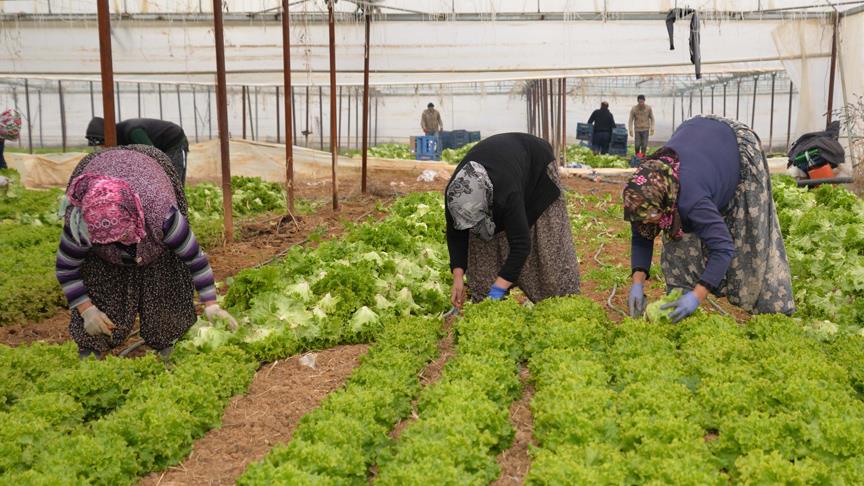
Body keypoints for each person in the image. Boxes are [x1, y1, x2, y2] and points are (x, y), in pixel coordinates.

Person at [56, 144, 237, 360]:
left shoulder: (163, 217)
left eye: (122, 236)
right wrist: (86, 310)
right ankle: (91, 348)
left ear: (135, 218)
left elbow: (195, 260)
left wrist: (211, 305)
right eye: (107, 241)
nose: (118, 245)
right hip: (99, 172)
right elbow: (66, 268)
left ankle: (169, 340)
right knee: (99, 278)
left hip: (149, 168)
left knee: (166, 277)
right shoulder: (81, 224)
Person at [624, 115, 795, 322]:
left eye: (649, 218)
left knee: (749, 240)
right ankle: (678, 300)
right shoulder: (645, 193)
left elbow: (723, 248)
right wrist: (637, 283)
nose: (645, 224)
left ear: (664, 202)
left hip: (734, 147)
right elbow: (641, 238)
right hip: (697, 138)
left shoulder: (692, 199)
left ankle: (774, 311)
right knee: (678, 242)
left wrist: (696, 297)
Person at [445, 132, 580, 309]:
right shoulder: (455, 196)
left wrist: (497, 290)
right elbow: (456, 235)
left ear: (487, 204)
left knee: (547, 250)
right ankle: (487, 300)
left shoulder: (505, 193)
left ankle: (556, 302)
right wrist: (458, 277)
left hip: (535, 167)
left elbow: (521, 245)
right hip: (502, 166)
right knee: (481, 247)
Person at [86, 117, 190, 185]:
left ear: (106, 138)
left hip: (174, 142)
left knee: (173, 180)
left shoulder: (133, 132)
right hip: (159, 145)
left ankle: (178, 213)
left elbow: (154, 154)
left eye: (102, 145)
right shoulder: (120, 138)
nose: (103, 148)